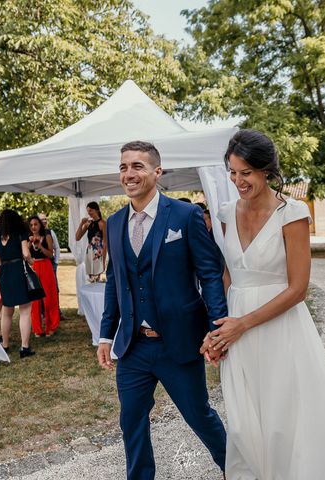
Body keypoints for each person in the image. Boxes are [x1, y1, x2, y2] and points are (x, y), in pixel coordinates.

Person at [202, 129, 325, 479]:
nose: (238, 181)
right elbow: (228, 277)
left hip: (279, 324)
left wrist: (243, 323)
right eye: (232, 173)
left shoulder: (291, 213)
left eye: (246, 172)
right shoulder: (224, 212)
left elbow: (298, 289)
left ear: (267, 170)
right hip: (236, 325)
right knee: (243, 417)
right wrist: (219, 330)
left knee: (286, 412)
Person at [97, 141, 227, 480]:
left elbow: (210, 274)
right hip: (133, 347)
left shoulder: (185, 216)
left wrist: (217, 327)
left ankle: (238, 471)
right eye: (124, 167)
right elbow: (114, 282)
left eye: (137, 166)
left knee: (200, 416)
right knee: (132, 422)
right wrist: (105, 334)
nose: (129, 173)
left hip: (179, 344)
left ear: (157, 171)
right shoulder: (113, 223)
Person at [0, 210, 37, 358]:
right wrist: (31, 262)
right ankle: (24, 347)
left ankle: (5, 345)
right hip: (18, 271)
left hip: (5, 273)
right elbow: (26, 253)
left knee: (7, 311)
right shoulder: (20, 233)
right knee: (25, 310)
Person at [28, 215, 60, 337]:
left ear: (40, 225)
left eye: (36, 224)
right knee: (35, 299)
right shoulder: (29, 238)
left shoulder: (47, 235)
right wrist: (30, 244)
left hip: (46, 266)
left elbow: (50, 254)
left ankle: (52, 326)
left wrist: (40, 246)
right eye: (31, 225)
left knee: (49, 297)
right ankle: (37, 328)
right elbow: (26, 255)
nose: (33, 227)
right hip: (35, 266)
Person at [38, 213, 65, 319]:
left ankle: (57, 312)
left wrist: (56, 262)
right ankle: (42, 312)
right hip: (40, 265)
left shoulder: (50, 232)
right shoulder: (34, 233)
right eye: (42, 219)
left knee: (55, 288)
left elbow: (57, 248)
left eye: (45, 219)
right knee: (41, 289)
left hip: (51, 264)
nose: (44, 221)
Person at [75, 201, 106, 282]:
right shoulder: (88, 223)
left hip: (98, 254)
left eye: (90, 210)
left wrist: (104, 261)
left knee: (97, 280)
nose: (89, 213)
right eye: (88, 211)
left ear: (97, 210)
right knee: (90, 280)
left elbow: (105, 243)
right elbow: (77, 237)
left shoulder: (102, 223)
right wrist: (81, 224)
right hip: (89, 253)